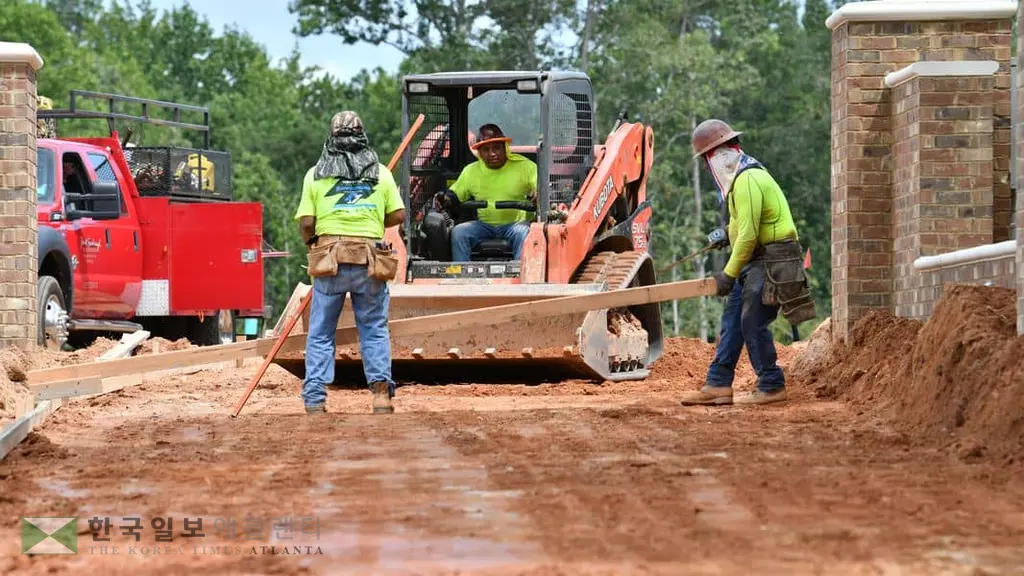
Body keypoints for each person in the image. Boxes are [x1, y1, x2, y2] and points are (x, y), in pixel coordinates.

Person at [679, 118, 815, 407]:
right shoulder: (738, 180)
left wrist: (728, 274)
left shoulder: (747, 179)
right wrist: (727, 236)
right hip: (757, 259)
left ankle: (772, 384)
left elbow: (750, 234)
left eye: (707, 159)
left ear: (717, 155)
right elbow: (742, 226)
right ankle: (717, 384)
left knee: (751, 321)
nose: (707, 166)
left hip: (772, 258)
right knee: (732, 321)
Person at [294, 111, 406, 415]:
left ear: (331, 138)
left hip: (330, 258)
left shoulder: (316, 173)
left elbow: (307, 222)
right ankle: (381, 395)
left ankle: (315, 398)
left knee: (320, 332)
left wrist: (312, 243)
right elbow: (398, 215)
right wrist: (370, 219)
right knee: (373, 329)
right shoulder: (381, 173)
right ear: (362, 136)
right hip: (369, 258)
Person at [433, 124, 537, 261]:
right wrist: (443, 199)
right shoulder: (471, 171)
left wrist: (537, 196)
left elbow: (539, 190)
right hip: (485, 226)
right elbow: (455, 195)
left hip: (515, 224)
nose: (492, 153)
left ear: (505, 148)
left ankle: (519, 273)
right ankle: (462, 276)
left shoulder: (526, 167)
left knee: (524, 232)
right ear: (479, 153)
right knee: (459, 232)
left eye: (496, 148)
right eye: (486, 150)